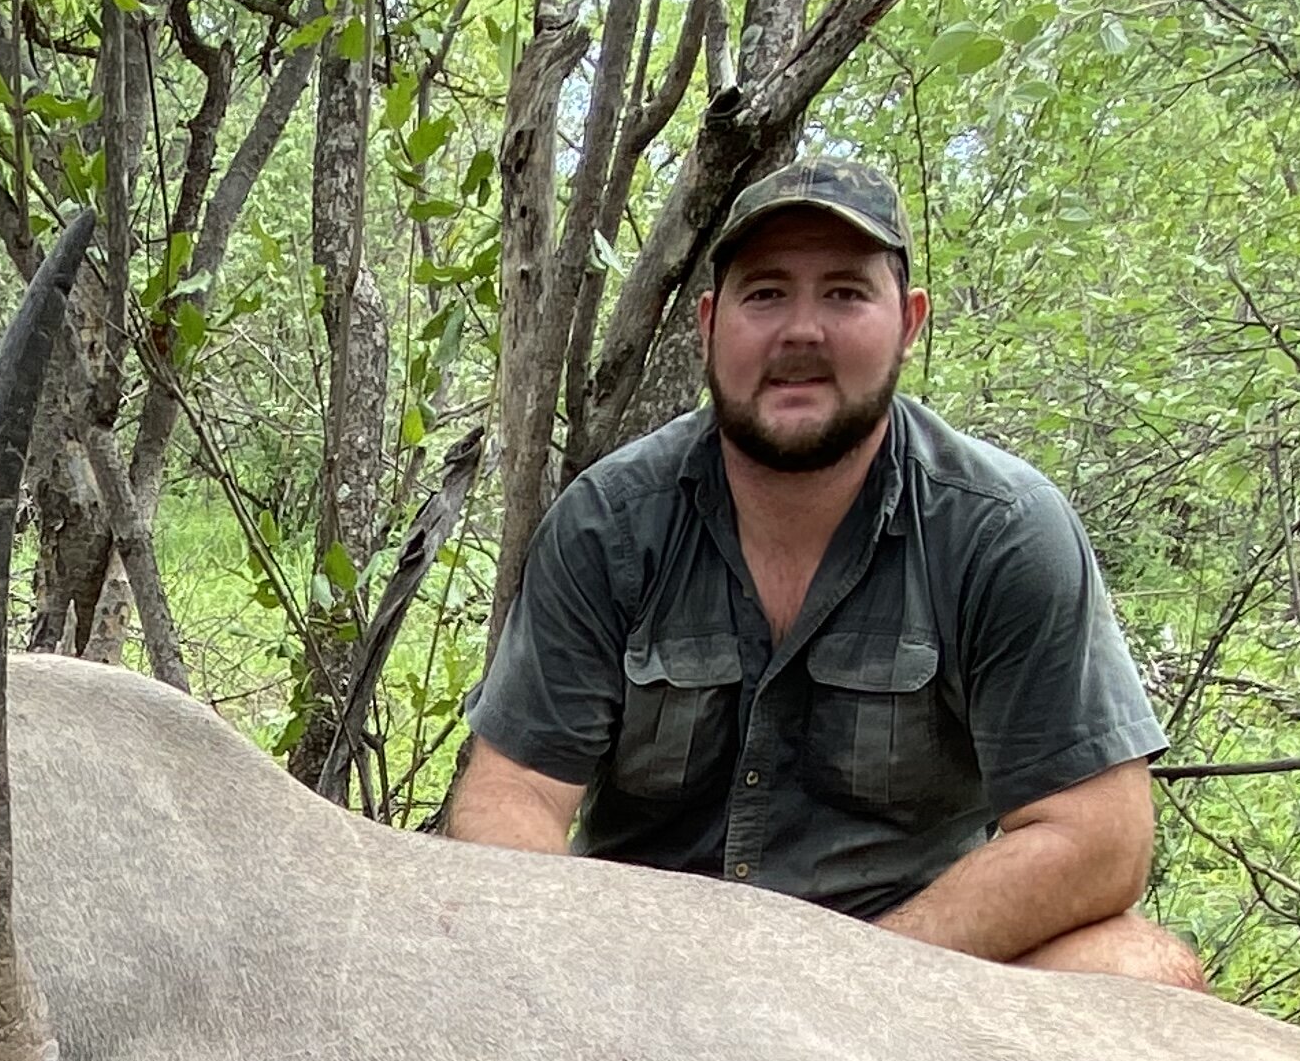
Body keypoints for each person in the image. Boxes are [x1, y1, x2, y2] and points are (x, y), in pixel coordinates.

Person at [445, 158, 1202, 987]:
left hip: (908, 966)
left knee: (1142, 971)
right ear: (707, 325)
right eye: (765, 293)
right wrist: (585, 956)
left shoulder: (1001, 532)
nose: (801, 332)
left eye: (844, 294)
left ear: (909, 323)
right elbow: (511, 789)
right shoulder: (609, 523)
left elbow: (1098, 837)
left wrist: (848, 984)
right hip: (644, 967)